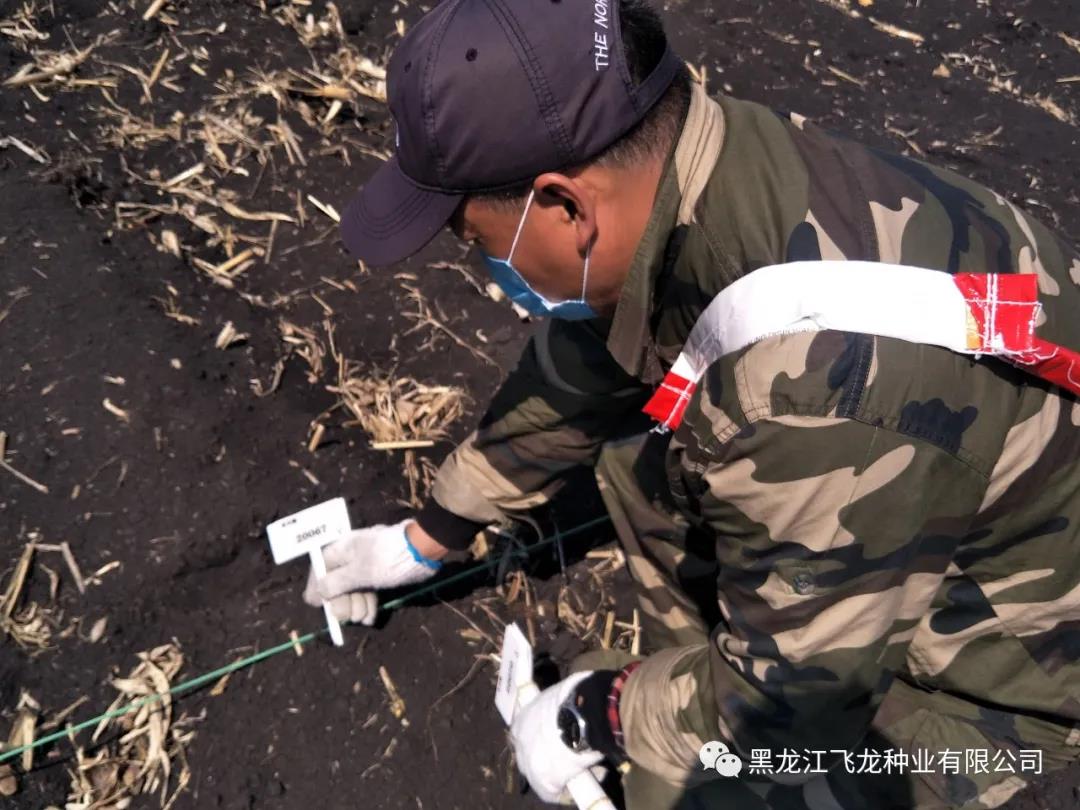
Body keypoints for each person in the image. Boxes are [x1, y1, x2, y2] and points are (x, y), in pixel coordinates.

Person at [302, 0, 1080, 807]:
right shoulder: (705, 160)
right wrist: (433, 534)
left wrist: (599, 714)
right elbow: (590, 358)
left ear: (567, 207)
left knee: (717, 782)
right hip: (919, 507)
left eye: (478, 241)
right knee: (646, 468)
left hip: (1007, 683)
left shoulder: (813, 394)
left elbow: (785, 708)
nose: (485, 266)